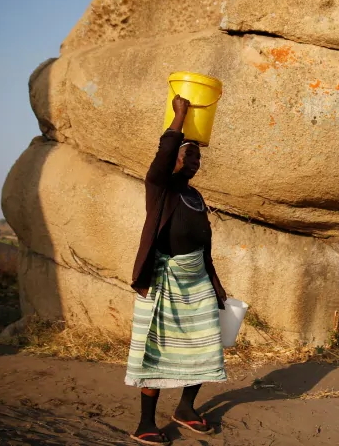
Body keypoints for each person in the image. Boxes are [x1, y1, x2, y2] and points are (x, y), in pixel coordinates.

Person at [125, 94, 228, 445]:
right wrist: (180, 118)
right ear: (175, 159)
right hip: (164, 280)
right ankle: (145, 423)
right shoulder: (160, 188)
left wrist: (215, 283)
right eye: (188, 154)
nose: (194, 161)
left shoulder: (195, 196)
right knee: (157, 350)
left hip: (196, 279)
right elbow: (162, 157)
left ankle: (185, 408)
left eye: (198, 156)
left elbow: (204, 244)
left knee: (204, 345)